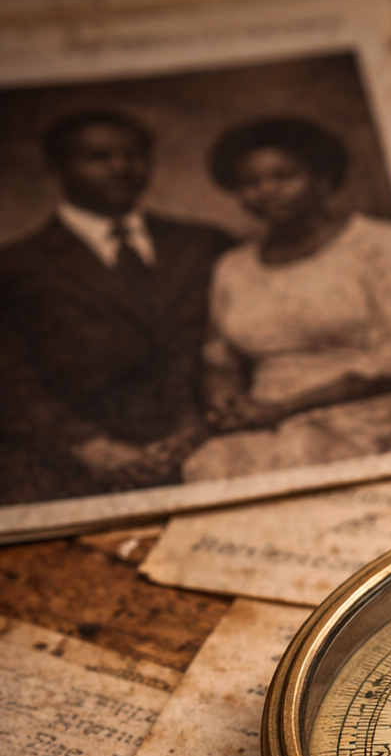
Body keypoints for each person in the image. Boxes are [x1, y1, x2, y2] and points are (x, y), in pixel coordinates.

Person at [181, 115, 391, 483]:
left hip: (370, 407)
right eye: (250, 182)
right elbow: (219, 358)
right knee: (209, 467)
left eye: (284, 176)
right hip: (266, 415)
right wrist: (226, 404)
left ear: (322, 178)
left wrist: (282, 409)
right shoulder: (233, 266)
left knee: (304, 455)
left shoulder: (386, 246)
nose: (267, 191)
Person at [0, 108, 233, 504]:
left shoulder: (202, 243)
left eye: (133, 154)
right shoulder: (17, 265)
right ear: (57, 167)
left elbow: (238, 343)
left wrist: (197, 427)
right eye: (98, 158)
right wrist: (91, 447)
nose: (121, 168)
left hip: (206, 447)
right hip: (68, 467)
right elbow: (9, 379)